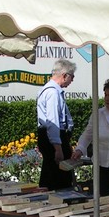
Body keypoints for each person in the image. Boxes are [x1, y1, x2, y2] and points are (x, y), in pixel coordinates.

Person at [36, 58, 77, 190]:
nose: (73, 80)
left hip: (53, 137)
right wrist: (58, 148)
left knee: (51, 175)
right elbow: (52, 122)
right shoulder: (53, 93)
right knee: (58, 179)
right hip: (54, 139)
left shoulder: (49, 90)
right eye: (72, 76)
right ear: (65, 76)